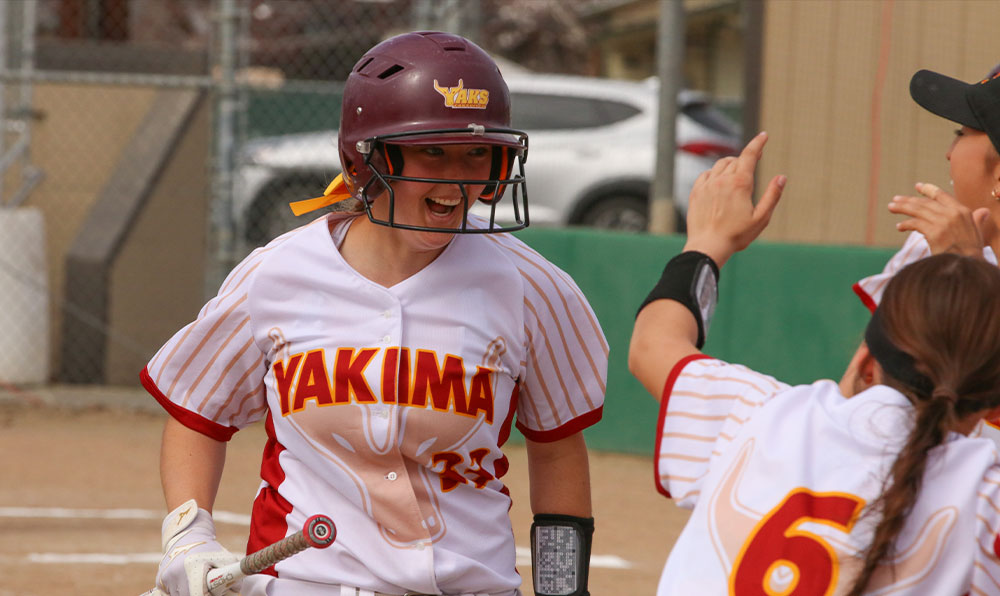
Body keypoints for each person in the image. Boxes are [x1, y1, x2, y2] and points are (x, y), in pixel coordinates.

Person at [142, 31, 607, 596]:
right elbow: (198, 413)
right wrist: (188, 536)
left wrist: (563, 591)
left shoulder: (532, 287)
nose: (457, 178)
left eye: (476, 152)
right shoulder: (279, 275)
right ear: (364, 159)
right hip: (301, 582)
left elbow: (557, 452)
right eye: (432, 150)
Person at [629, 132, 1000, 594]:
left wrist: (706, 242)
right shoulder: (986, 493)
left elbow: (653, 344)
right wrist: (975, 280)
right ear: (989, 409)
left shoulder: (761, 415)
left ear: (866, 362)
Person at [854, 63, 1000, 310]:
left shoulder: (957, 259)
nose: (949, 152)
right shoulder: (936, 244)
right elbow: (883, 348)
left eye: (961, 133)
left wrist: (968, 276)